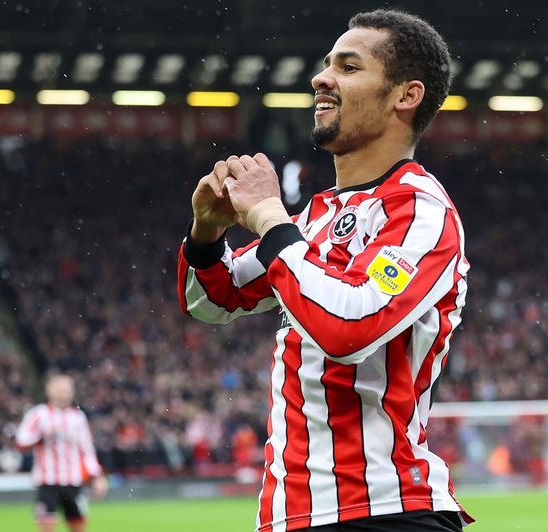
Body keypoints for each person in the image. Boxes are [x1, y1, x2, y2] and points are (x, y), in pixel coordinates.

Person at [177, 9, 472, 532]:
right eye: (326, 64)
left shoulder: (421, 210)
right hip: (289, 514)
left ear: (406, 96)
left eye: (349, 67)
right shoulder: (313, 218)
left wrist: (268, 216)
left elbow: (348, 328)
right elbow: (214, 301)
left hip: (383, 511)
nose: (321, 77)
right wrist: (206, 234)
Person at [16, 374, 108, 532]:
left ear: (72, 392)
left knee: (78, 524)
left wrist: (97, 477)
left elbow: (87, 450)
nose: (63, 395)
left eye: (66, 391)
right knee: (47, 524)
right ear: (49, 391)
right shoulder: (38, 414)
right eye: (59, 390)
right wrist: (42, 435)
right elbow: (21, 442)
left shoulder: (78, 417)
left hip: (73, 481)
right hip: (47, 481)